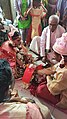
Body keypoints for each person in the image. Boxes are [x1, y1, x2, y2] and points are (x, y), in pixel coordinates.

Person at [35, 33, 67, 109]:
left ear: (61, 55)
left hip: (64, 97)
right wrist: (39, 71)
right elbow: (54, 68)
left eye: (55, 54)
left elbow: (53, 89)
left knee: (40, 90)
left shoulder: (65, 72)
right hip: (61, 83)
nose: (53, 55)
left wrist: (48, 77)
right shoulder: (63, 60)